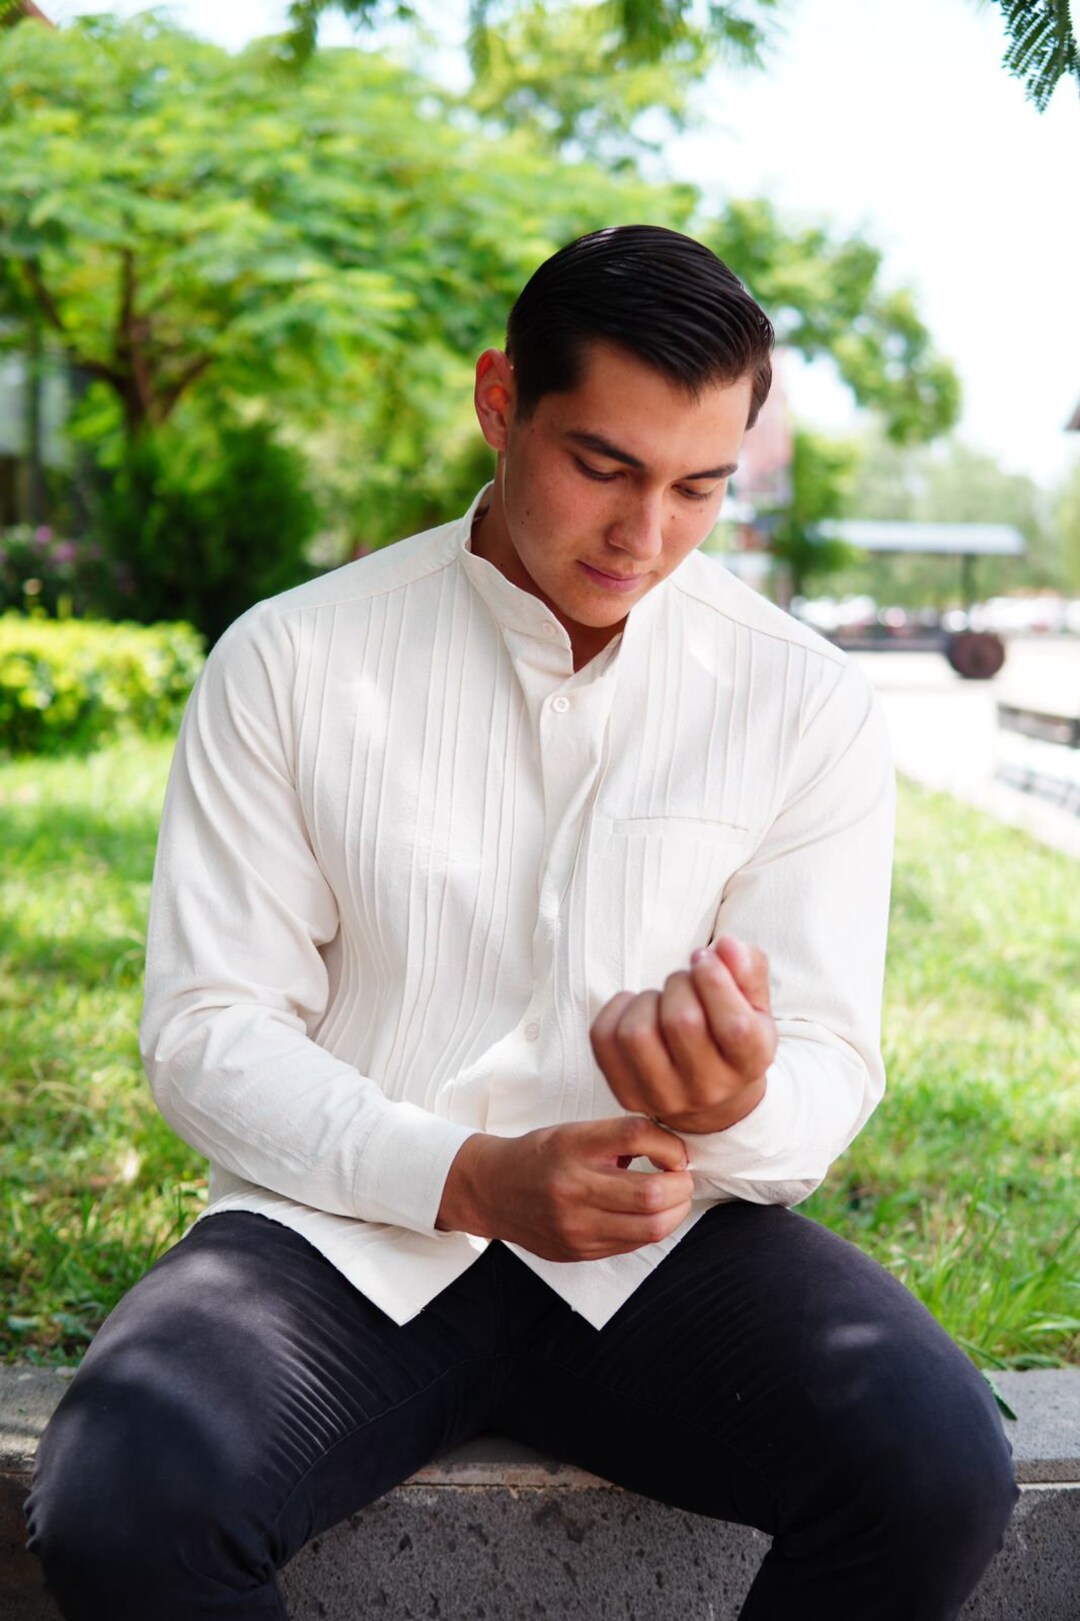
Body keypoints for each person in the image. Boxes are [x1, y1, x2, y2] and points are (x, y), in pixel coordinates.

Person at [26, 224, 1016, 1620]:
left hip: (666, 1244)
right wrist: (471, 1177)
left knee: (937, 1471)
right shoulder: (292, 659)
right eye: (602, 466)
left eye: (698, 487)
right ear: (501, 401)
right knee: (125, 1508)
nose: (644, 535)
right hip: (343, 1229)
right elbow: (207, 1032)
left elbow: (828, 1062)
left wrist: (736, 1100)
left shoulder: (803, 699)